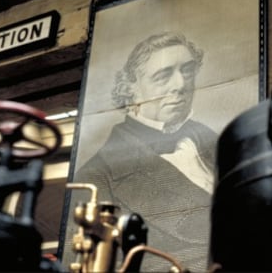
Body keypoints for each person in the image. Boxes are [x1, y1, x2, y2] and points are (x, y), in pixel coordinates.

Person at [72, 31, 218, 272]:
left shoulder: (216, 143)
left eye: (187, 71)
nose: (181, 85)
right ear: (130, 89)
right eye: (163, 76)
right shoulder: (97, 178)